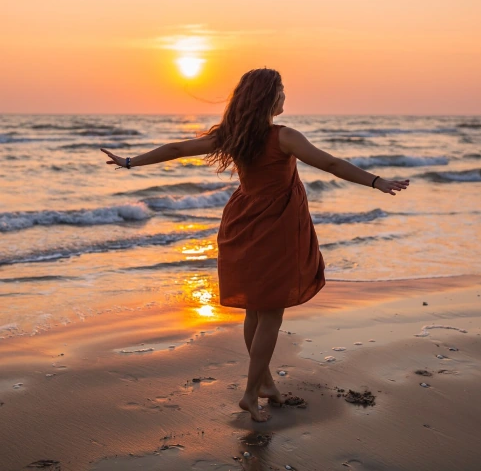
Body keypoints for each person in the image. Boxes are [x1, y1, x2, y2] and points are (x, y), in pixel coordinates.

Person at [100, 68, 410, 422]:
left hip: (241, 223)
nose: (285, 97)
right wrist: (376, 181)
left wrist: (129, 161)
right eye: (281, 91)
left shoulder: (231, 137)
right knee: (271, 313)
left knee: (255, 310)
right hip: (275, 229)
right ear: (270, 98)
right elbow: (330, 163)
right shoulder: (284, 137)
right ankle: (250, 394)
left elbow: (178, 148)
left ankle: (265, 385)